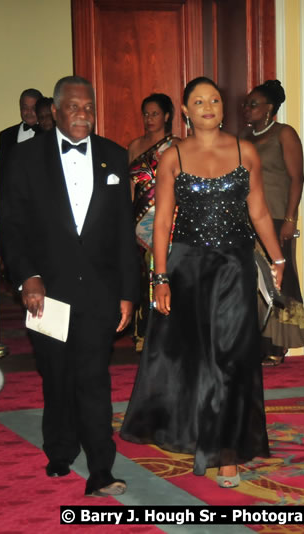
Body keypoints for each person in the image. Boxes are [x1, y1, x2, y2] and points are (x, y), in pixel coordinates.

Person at [120, 77, 285, 488]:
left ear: (222, 108)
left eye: (214, 99)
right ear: (186, 111)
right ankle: (198, 433)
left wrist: (277, 258)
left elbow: (260, 210)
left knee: (231, 357)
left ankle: (227, 453)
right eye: (198, 101)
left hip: (234, 266)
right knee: (195, 359)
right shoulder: (172, 156)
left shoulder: (245, 150)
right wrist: (159, 277)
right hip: (187, 267)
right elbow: (161, 223)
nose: (208, 105)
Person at [0, 75, 138, 497]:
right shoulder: (24, 158)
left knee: (93, 379)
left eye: (89, 107)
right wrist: (28, 276)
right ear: (55, 112)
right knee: (56, 375)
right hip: (48, 292)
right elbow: (13, 227)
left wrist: (129, 291)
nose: (83, 114)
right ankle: (59, 448)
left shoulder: (114, 157)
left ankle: (101, 469)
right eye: (74, 107)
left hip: (99, 291)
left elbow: (121, 232)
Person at [242, 80, 304, 366]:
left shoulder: (284, 134)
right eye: (246, 105)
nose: (247, 109)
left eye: (253, 104)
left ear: (270, 108)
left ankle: (277, 345)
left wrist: (289, 219)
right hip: (248, 220)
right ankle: (255, 342)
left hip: (276, 218)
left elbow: (298, 178)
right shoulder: (244, 139)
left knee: (279, 282)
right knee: (252, 283)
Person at [127, 93, 180, 351]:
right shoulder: (135, 146)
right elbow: (131, 188)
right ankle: (143, 332)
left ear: (167, 116)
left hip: (169, 217)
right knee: (141, 275)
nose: (149, 119)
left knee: (162, 272)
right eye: (146, 114)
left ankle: (167, 329)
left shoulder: (178, 145)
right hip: (139, 219)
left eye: (155, 114)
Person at [0, 88, 43, 179]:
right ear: (20, 108)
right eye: (25, 108)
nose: (29, 112)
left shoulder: (48, 134)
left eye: (33, 108)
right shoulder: (6, 135)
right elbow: (1, 170)